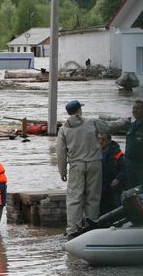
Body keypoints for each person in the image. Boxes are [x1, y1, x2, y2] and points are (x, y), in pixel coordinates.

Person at [56, 100, 128, 239]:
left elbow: (61, 152)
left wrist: (62, 171)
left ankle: (72, 230)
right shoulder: (91, 122)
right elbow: (109, 127)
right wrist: (123, 121)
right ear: (79, 111)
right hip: (94, 163)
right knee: (93, 197)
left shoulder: (64, 129)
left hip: (76, 165)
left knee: (74, 198)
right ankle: (91, 227)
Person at [99, 133, 126, 215]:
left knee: (114, 207)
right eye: (99, 139)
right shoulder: (95, 153)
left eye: (103, 139)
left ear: (109, 141)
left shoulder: (118, 154)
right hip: (101, 185)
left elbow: (124, 170)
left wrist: (117, 179)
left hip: (113, 185)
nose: (100, 141)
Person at [125, 100, 143, 189]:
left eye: (138, 108)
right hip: (129, 165)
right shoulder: (131, 125)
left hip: (140, 166)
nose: (135, 110)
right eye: (133, 108)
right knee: (132, 192)